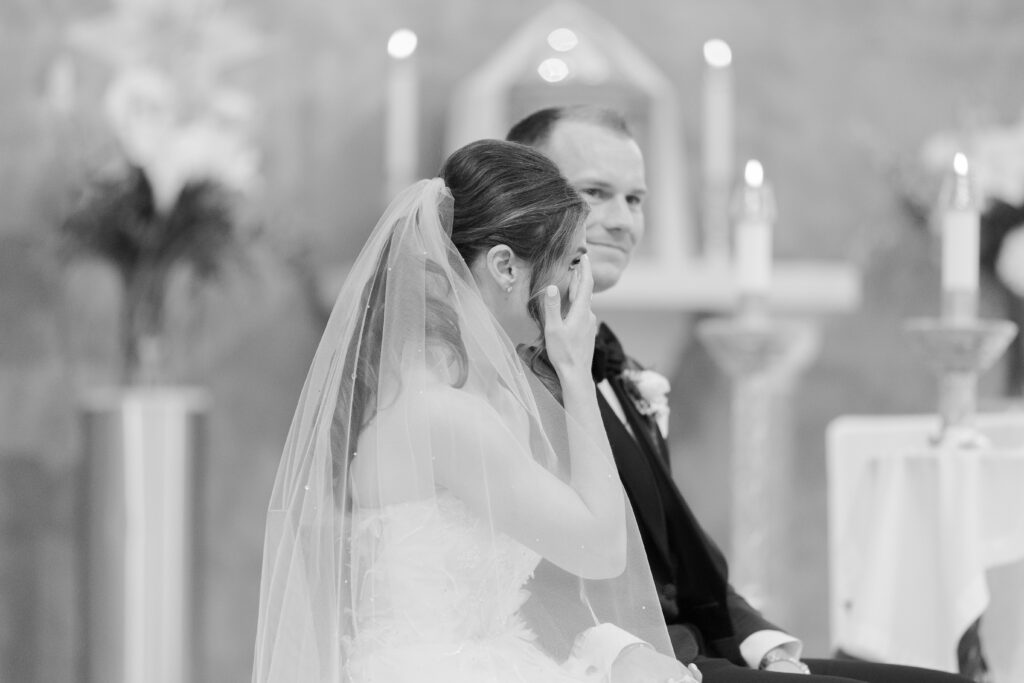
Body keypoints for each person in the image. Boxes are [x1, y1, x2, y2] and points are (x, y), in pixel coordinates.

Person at [508, 106, 975, 683]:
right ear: (528, 203)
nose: (623, 220)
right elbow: (527, 573)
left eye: (635, 200)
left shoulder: (608, 356)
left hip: (698, 648)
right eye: (596, 193)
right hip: (615, 661)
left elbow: (681, 551)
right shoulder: (513, 369)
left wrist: (763, 642)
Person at [251, 139, 703, 683]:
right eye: (573, 262)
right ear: (506, 266)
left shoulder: (467, 396)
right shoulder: (444, 416)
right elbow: (602, 551)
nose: (581, 288)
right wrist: (576, 373)